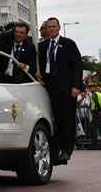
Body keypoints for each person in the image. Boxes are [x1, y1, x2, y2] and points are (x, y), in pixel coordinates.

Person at [38, 17, 83, 161]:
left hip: (67, 89)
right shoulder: (43, 45)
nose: (51, 29)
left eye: (53, 27)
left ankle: (66, 150)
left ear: (58, 28)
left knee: (66, 119)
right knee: (54, 119)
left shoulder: (68, 44)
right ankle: (56, 150)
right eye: (48, 27)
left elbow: (77, 65)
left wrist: (76, 86)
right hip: (50, 88)